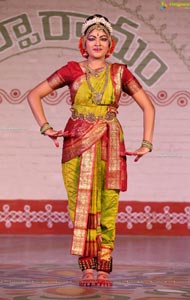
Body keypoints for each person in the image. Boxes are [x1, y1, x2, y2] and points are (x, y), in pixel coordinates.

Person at [27, 14, 155, 287]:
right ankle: (86, 266)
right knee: (80, 206)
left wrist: (146, 143)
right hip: (75, 144)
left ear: (112, 44)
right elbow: (34, 94)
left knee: (109, 205)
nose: (97, 43)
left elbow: (149, 106)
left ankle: (104, 267)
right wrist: (45, 127)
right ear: (82, 43)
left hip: (110, 141)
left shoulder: (121, 72)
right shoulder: (72, 69)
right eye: (92, 38)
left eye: (103, 38)